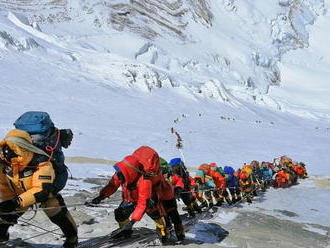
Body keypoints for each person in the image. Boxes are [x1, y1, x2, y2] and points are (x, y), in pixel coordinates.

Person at [87, 147, 184, 243]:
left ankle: (166, 232)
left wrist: (132, 221)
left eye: (121, 173)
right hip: (131, 198)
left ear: (129, 172)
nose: (118, 175)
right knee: (120, 214)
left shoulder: (144, 181)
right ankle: (126, 231)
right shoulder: (122, 173)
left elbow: (143, 203)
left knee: (157, 215)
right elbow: (112, 185)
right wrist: (101, 196)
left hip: (149, 199)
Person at [0, 129, 77, 247]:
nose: (6, 153)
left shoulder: (42, 163)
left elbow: (41, 190)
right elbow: (4, 185)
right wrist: (7, 203)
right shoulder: (5, 163)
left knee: (58, 216)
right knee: (4, 217)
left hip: (44, 195)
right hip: (19, 196)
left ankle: (72, 240)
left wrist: (16, 202)